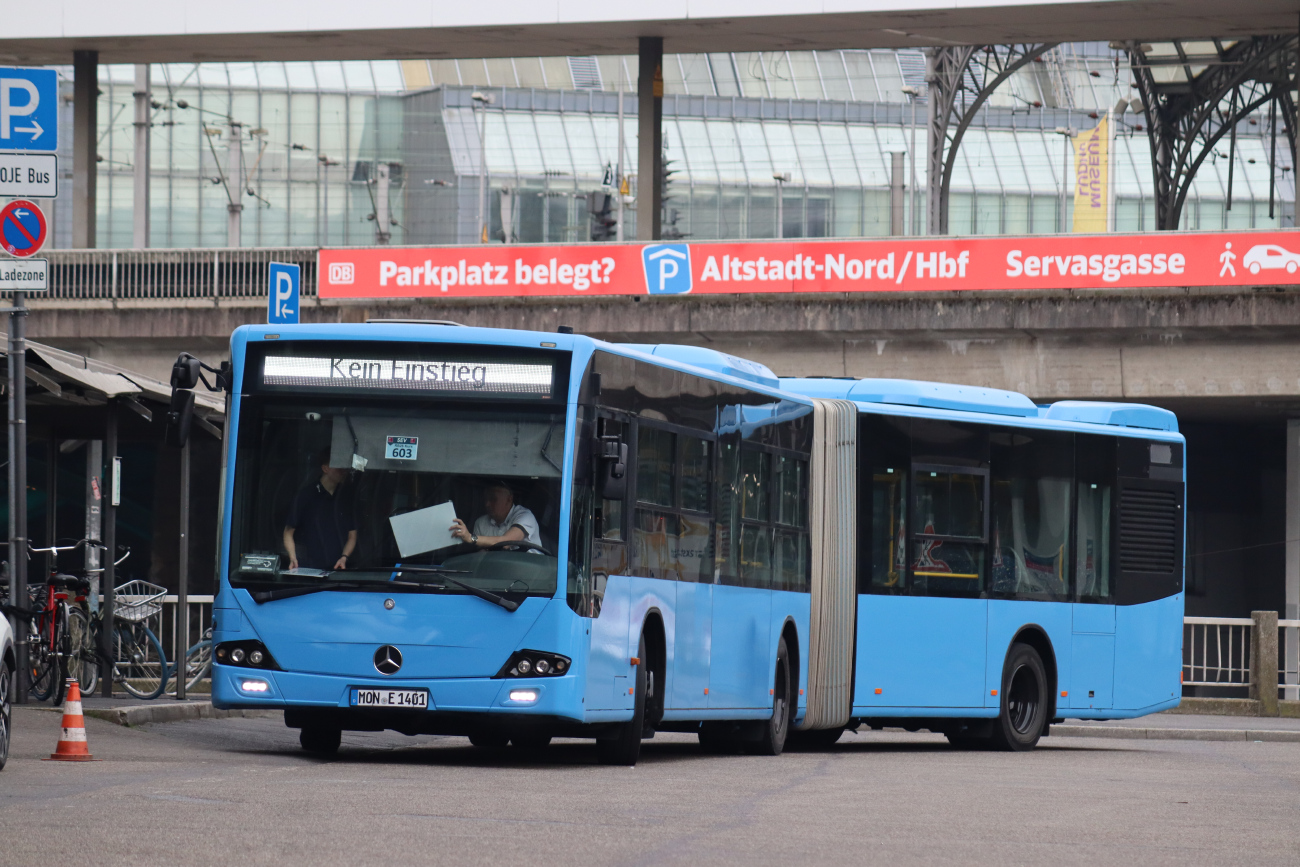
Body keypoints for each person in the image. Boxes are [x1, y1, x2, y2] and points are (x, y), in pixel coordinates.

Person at [283, 449, 357, 571]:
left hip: (339, 570)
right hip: (309, 570)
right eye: (339, 467)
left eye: (345, 467)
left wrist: (344, 557)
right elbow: (288, 532)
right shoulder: (305, 495)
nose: (344, 471)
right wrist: (292, 558)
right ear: (325, 468)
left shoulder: (345, 498)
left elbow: (352, 535)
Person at [450, 480, 542, 550]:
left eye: (493, 499)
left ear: (509, 499)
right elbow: (482, 557)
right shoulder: (481, 523)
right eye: (486, 499)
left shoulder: (525, 516)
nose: (487, 504)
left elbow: (506, 543)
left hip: (531, 573)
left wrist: (471, 538)